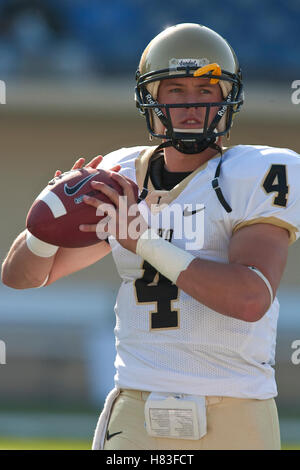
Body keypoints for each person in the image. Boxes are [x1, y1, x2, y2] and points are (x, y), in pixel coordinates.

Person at [2, 23, 300, 450]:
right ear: (152, 98)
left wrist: (143, 242)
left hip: (235, 407)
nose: (191, 103)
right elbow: (22, 277)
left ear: (226, 98)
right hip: (137, 407)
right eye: (175, 90)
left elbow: (250, 298)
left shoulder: (257, 173)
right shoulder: (120, 177)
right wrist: (46, 225)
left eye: (205, 89)